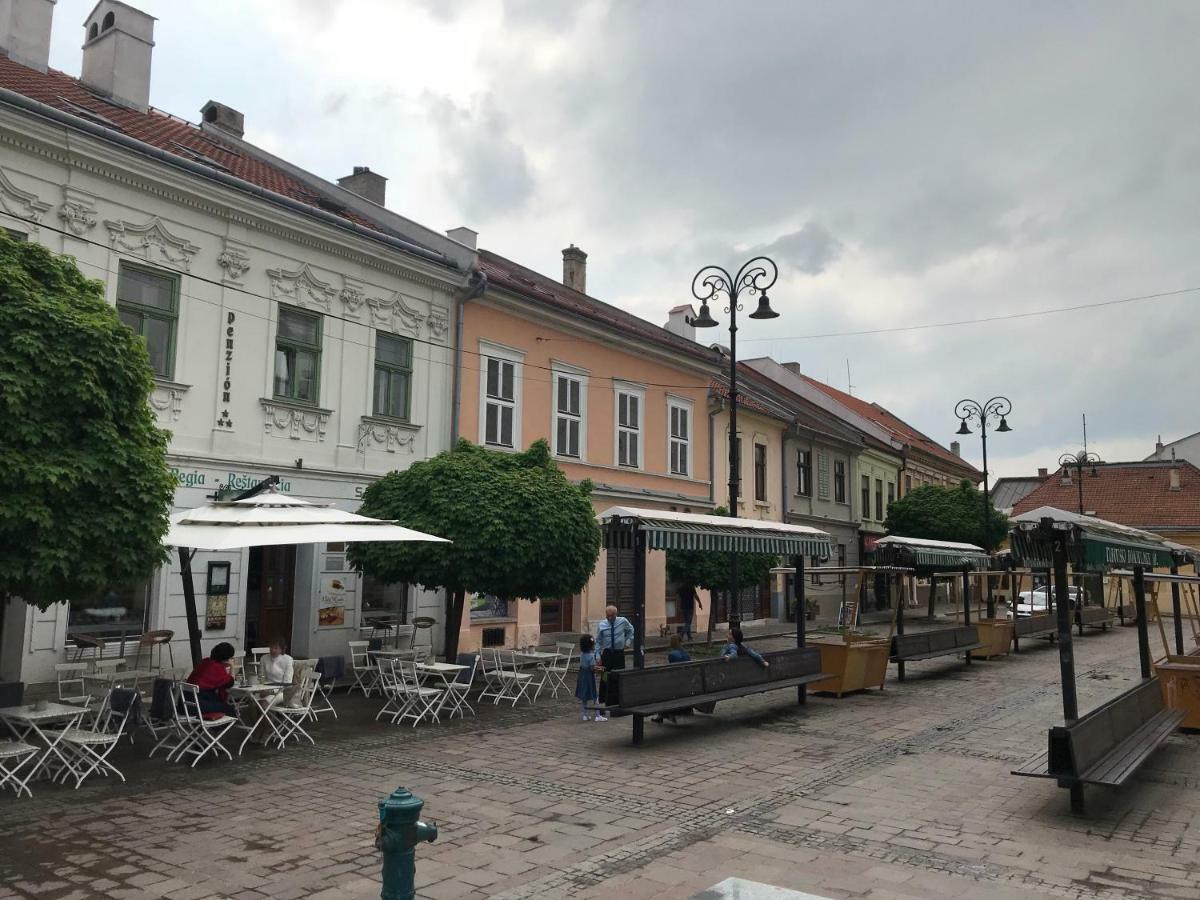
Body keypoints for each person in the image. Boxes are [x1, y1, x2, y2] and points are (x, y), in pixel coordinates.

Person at [186, 642, 237, 718]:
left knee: (222, 705)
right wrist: (232, 666)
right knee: (230, 710)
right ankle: (215, 729)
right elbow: (230, 683)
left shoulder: (205, 662)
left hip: (185, 703)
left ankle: (205, 729)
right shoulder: (216, 667)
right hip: (197, 704)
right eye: (231, 657)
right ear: (225, 659)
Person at [595, 605, 634, 705]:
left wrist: (628, 642)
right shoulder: (602, 625)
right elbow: (598, 641)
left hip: (618, 653)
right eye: (607, 616)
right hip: (607, 654)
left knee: (618, 677)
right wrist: (598, 657)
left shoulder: (623, 621)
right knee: (605, 677)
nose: (609, 618)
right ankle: (603, 701)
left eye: (611, 616)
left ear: (616, 614)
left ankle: (617, 701)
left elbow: (631, 630)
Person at [652, 635, 693, 724]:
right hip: (686, 682)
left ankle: (662, 715)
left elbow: (672, 671)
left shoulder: (672, 654)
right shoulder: (686, 653)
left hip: (676, 683)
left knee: (662, 690)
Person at [575, 635, 606, 722]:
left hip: (582, 676)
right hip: (589, 677)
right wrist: (601, 669)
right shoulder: (591, 656)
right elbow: (592, 668)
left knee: (584, 696)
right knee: (595, 696)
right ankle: (598, 715)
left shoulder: (582, 655)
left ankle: (585, 715)